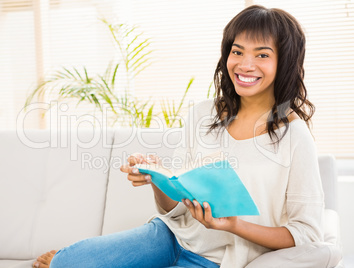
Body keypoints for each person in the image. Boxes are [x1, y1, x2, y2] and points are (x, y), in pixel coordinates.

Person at [33, 5, 324, 268]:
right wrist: (156, 179)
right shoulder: (202, 115)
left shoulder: (294, 136)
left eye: (262, 54)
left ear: (284, 62)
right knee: (66, 263)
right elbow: (174, 207)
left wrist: (234, 226)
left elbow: (307, 234)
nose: (245, 65)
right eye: (237, 51)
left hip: (220, 258)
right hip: (169, 237)